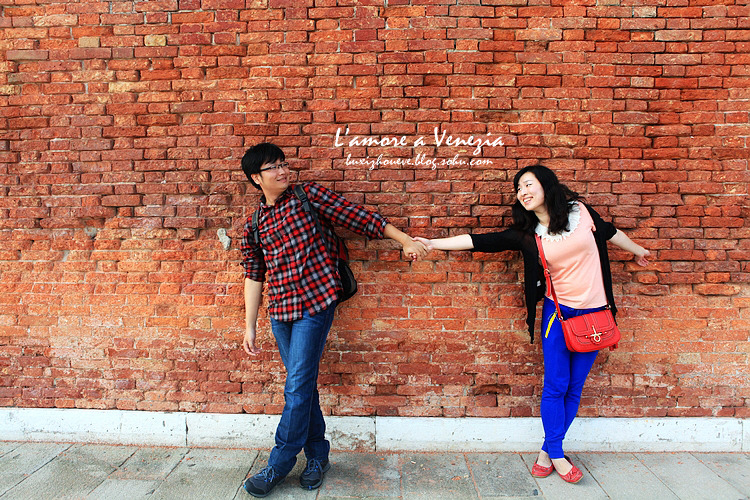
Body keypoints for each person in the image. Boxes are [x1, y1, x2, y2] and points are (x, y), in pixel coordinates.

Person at [415, 165, 650, 484]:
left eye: (528, 184)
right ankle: (558, 454)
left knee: (575, 387)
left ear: (546, 185)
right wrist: (432, 243)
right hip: (559, 316)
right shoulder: (528, 234)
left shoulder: (580, 211)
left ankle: (547, 450)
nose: (522, 192)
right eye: (518, 188)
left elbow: (609, 232)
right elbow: (480, 241)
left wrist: (638, 251)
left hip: (595, 316)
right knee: (556, 385)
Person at [239, 142, 427, 497]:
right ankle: (317, 458)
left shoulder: (307, 196)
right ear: (255, 178)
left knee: (296, 386)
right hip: (280, 313)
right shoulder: (254, 223)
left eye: (283, 163)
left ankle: (279, 463)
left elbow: (360, 218)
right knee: (303, 386)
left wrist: (404, 239)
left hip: (315, 304)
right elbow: (253, 274)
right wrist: (250, 325)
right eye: (272, 167)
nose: (282, 170)